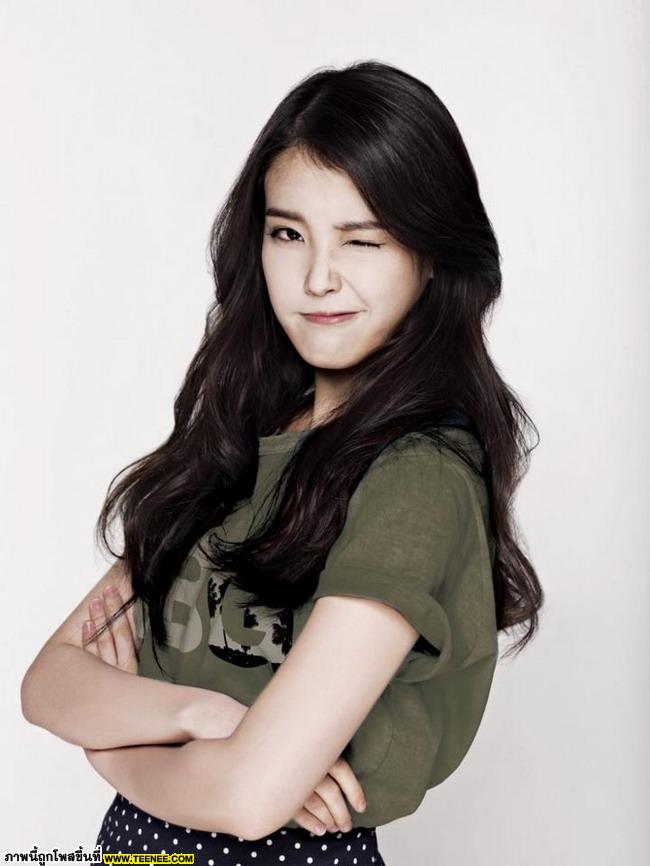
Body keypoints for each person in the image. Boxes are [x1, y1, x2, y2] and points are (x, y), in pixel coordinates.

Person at [21, 60, 543, 865]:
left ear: (432, 256)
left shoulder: (418, 478)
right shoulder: (240, 439)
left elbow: (248, 799)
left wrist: (112, 745)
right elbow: (48, 684)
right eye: (288, 234)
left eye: (362, 241)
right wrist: (201, 717)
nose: (318, 278)